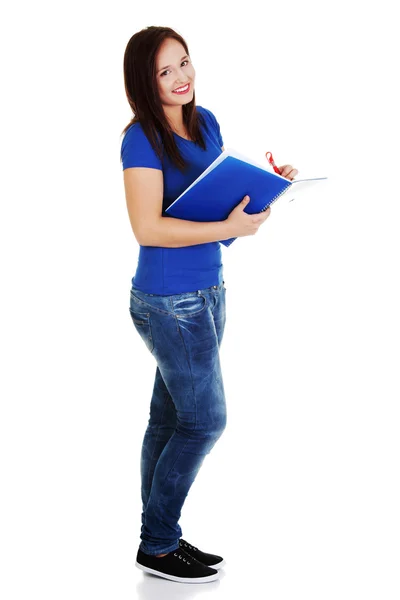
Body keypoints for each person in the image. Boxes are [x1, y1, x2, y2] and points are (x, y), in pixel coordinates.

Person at [120, 26, 298, 584]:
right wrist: (229, 225)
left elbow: (214, 210)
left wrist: (265, 187)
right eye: (164, 72)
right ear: (143, 84)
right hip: (169, 299)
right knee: (204, 421)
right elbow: (147, 227)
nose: (180, 78)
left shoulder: (207, 122)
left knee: (169, 419)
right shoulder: (140, 139)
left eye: (184, 63)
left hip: (209, 290)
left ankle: (160, 537)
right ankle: (157, 544)